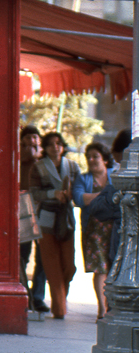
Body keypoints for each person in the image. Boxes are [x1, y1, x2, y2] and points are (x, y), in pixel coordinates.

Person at [29, 131, 80, 319]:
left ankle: (60, 301)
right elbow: (34, 193)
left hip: (66, 217)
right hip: (47, 217)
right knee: (51, 264)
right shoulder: (38, 167)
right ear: (45, 148)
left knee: (69, 265)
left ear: (63, 146)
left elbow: (79, 189)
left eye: (58, 143)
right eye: (50, 144)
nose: (55, 147)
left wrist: (70, 195)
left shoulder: (72, 166)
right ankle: (59, 309)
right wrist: (53, 194)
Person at [73, 142, 115, 320]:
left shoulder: (115, 174)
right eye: (88, 157)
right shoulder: (83, 179)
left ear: (105, 159)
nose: (91, 160)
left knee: (114, 267)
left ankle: (112, 306)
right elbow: (79, 199)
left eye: (95, 156)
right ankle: (102, 308)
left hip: (114, 228)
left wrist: (94, 197)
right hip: (93, 230)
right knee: (100, 269)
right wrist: (106, 195)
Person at [19, 124, 48, 313]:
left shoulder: (45, 161)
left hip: (42, 207)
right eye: (28, 137)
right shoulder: (19, 157)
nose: (32, 141)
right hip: (23, 206)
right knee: (23, 253)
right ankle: (24, 293)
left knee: (43, 255)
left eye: (35, 137)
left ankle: (38, 296)